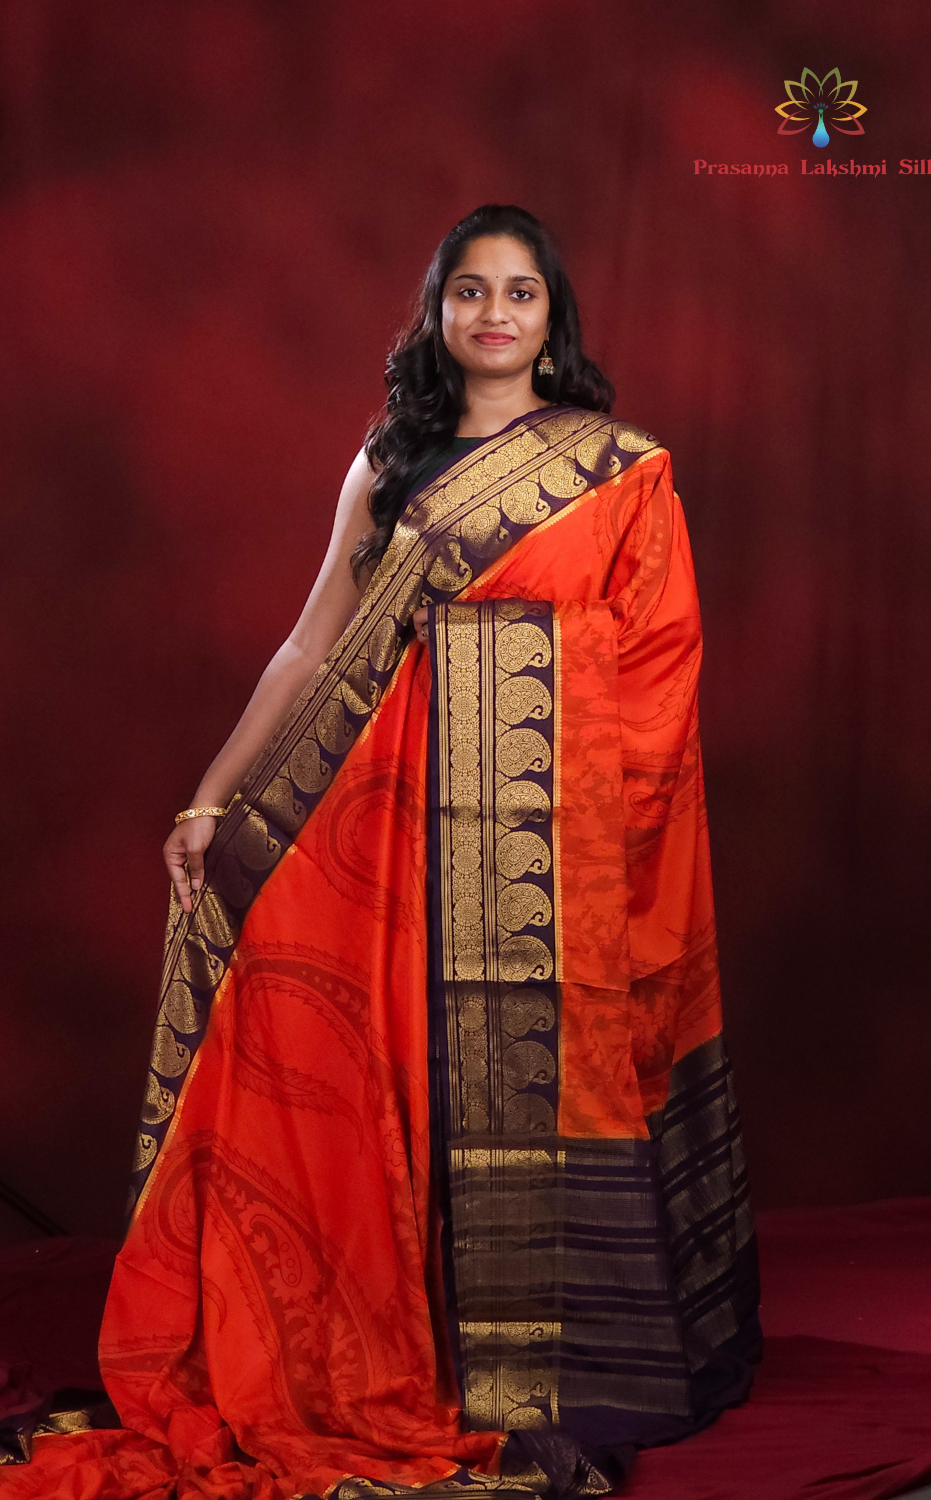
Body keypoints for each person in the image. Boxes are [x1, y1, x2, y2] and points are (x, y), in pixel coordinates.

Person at [4, 205, 760, 1500]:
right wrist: (208, 799)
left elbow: (657, 665)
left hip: (539, 850)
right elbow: (313, 646)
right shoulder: (390, 460)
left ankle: (530, 1362)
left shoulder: (619, 470)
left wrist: (523, 719)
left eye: (519, 292)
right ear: (438, 312)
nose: (494, 314)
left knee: (506, 1078)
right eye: (470, 291)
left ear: (552, 319)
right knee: (371, 1074)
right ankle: (378, 1339)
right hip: (386, 826)